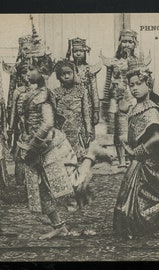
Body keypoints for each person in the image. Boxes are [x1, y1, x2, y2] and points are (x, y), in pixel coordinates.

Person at [15, 22, 112, 240]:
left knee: (71, 184)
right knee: (41, 190)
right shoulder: (28, 92)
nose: (26, 72)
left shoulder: (43, 94)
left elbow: (48, 123)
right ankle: (59, 225)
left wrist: (32, 145)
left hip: (49, 145)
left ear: (43, 70)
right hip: (35, 147)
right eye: (25, 68)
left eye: (31, 69)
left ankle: (91, 154)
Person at [112, 64, 159, 239]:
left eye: (138, 83)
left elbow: (156, 138)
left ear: (149, 84)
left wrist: (140, 150)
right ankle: (140, 225)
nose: (134, 88)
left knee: (147, 194)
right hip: (137, 161)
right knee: (131, 195)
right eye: (131, 85)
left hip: (148, 161)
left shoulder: (150, 108)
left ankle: (148, 224)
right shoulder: (135, 108)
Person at [101, 29, 138, 168]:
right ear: (119, 43)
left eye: (130, 42)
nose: (127, 45)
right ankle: (122, 160)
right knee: (119, 131)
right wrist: (106, 103)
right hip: (118, 99)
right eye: (124, 41)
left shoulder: (138, 61)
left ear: (135, 44)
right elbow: (107, 84)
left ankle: (132, 158)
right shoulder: (114, 62)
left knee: (133, 130)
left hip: (133, 99)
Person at [3, 34, 32, 186]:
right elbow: (10, 93)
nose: (27, 51)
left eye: (29, 48)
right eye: (24, 48)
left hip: (34, 123)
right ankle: (20, 181)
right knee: (19, 149)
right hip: (19, 119)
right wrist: (9, 117)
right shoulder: (16, 68)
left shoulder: (39, 64)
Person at [52, 59, 93, 160]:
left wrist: (88, 130)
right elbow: (53, 114)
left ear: (74, 73)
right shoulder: (55, 93)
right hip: (62, 130)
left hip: (77, 130)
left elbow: (86, 113)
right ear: (58, 76)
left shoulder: (81, 91)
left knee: (79, 156)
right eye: (63, 74)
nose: (66, 76)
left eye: (69, 73)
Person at [66, 37, 101, 141]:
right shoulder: (68, 68)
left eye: (80, 51)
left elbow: (94, 90)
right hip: (72, 103)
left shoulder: (89, 69)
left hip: (88, 105)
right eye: (75, 51)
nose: (78, 53)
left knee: (87, 129)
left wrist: (96, 110)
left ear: (85, 52)